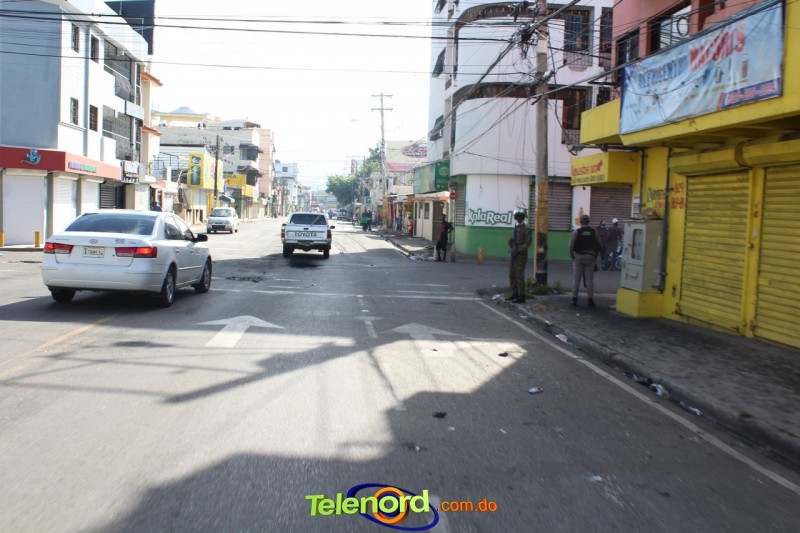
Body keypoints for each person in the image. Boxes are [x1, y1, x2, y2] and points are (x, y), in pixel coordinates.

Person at [569, 214, 603, 306]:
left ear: (580, 222)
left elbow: (571, 246)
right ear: (588, 221)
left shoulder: (576, 232)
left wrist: (572, 256)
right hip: (591, 256)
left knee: (576, 279)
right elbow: (600, 244)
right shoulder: (594, 232)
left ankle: (574, 299)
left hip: (579, 256)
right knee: (589, 279)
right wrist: (596, 255)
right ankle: (590, 300)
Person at [505, 209, 532, 304]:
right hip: (513, 254)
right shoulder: (515, 229)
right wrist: (511, 245)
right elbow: (511, 241)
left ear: (523, 218)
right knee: (511, 274)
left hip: (521, 255)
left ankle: (521, 295)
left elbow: (527, 243)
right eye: (517, 217)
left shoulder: (526, 229)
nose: (518, 219)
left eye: (520, 217)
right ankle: (515, 293)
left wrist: (518, 249)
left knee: (519, 275)